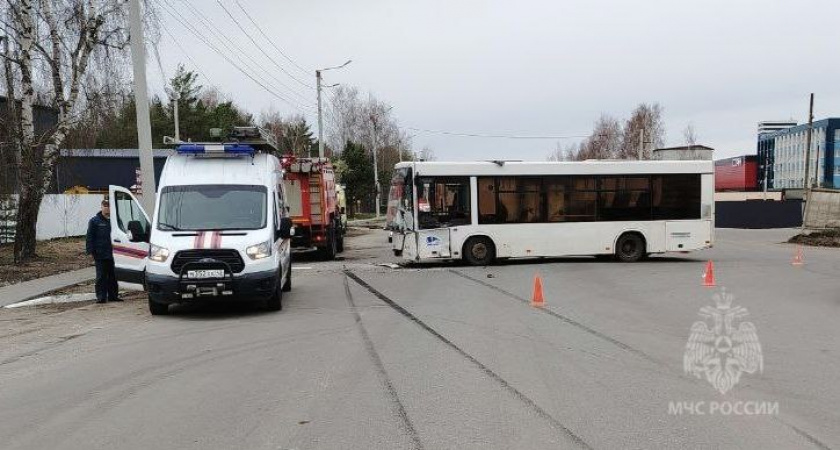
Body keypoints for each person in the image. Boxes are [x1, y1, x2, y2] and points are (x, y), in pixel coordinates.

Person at [86, 198, 121, 303]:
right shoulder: (95, 221)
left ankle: (113, 296)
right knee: (101, 277)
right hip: (100, 254)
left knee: (113, 276)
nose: (107, 208)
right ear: (101, 207)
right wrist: (90, 251)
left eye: (108, 206)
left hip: (113, 253)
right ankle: (101, 297)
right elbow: (89, 237)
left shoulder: (115, 221)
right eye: (105, 206)